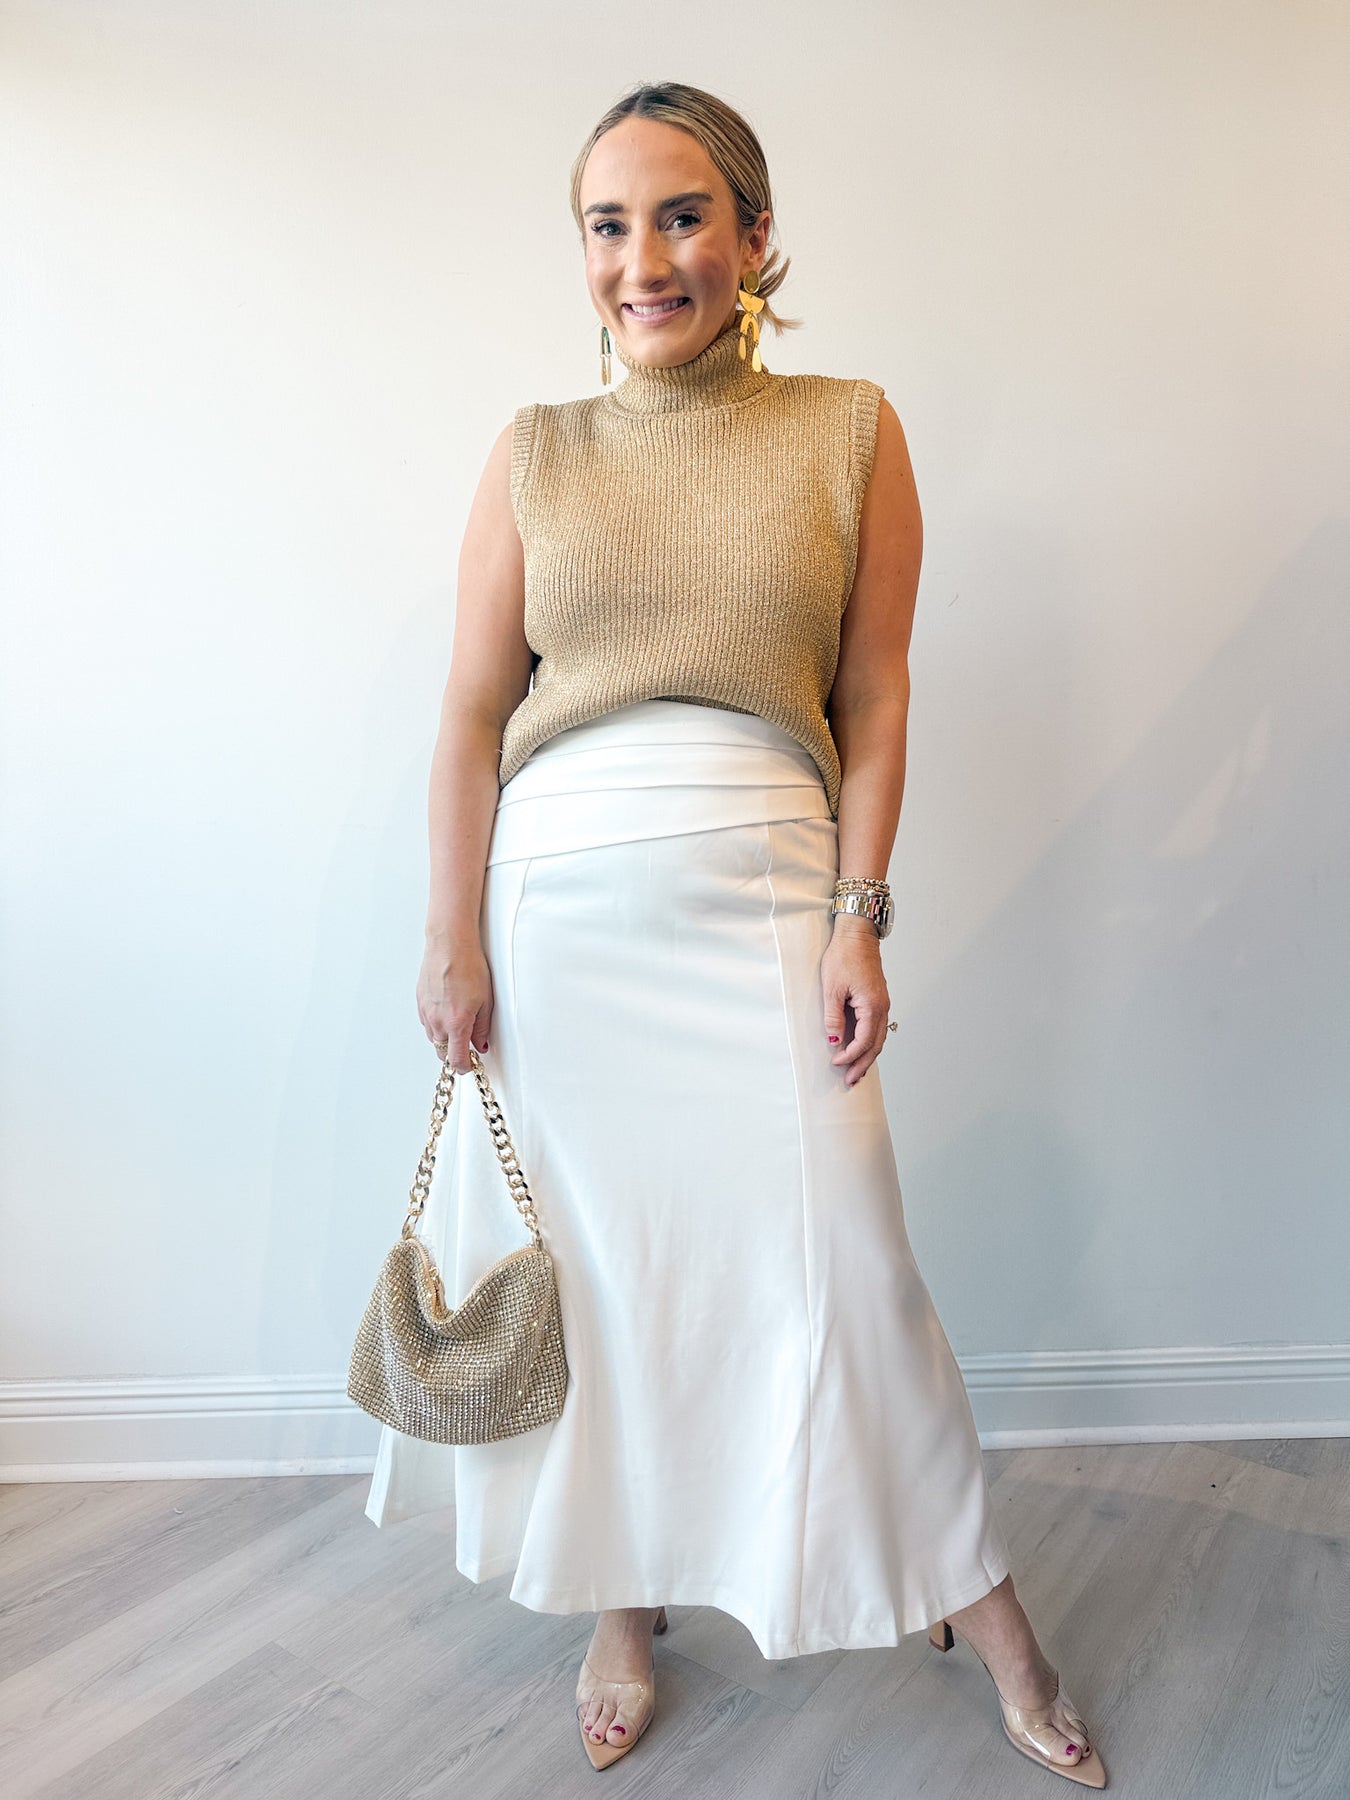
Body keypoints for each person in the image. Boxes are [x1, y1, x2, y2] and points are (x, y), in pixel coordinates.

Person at [362, 81, 1108, 1788]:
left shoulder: (849, 430)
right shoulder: (533, 451)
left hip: (765, 891)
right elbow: (470, 715)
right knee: (608, 1281)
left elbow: (873, 696)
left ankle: (988, 1613)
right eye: (608, 225)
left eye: (684, 215)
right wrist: (449, 934)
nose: (645, 259)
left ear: (755, 237)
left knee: (850, 1267)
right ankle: (619, 1609)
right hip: (559, 917)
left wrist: (859, 917)